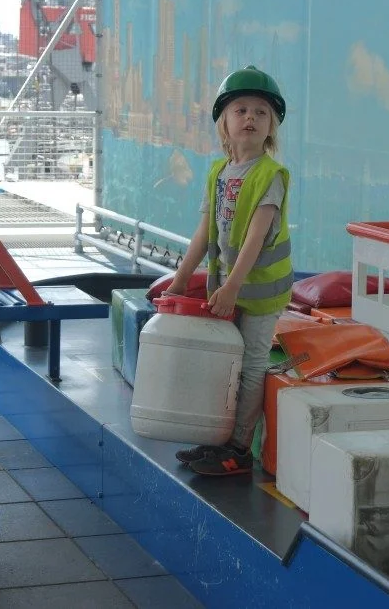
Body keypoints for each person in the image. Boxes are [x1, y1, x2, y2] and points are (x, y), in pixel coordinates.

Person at [164, 65, 293, 476]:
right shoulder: (218, 173)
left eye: (261, 112)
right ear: (225, 121)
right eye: (241, 110)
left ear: (271, 127)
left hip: (259, 293)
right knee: (222, 362)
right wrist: (181, 280)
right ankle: (216, 436)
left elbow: (255, 236)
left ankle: (239, 449)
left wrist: (233, 286)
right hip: (226, 290)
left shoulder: (271, 175)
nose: (250, 117)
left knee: (251, 365)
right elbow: (205, 231)